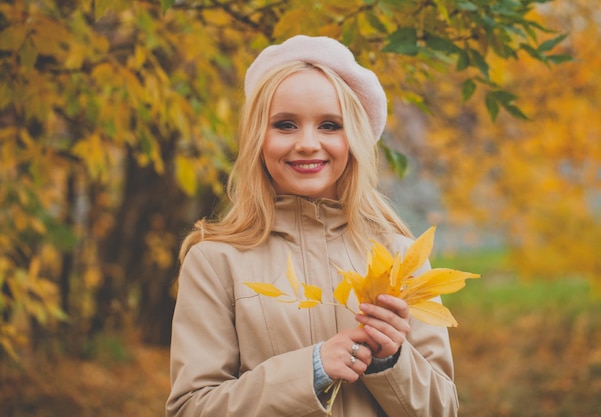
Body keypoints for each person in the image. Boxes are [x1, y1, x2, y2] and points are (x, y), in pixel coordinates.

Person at [166, 35, 458, 417]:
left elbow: (443, 410)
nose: (307, 143)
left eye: (329, 125)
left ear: (354, 138)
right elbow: (191, 408)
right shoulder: (215, 262)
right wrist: (314, 368)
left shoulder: (401, 256)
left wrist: (391, 361)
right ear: (258, 138)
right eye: (285, 124)